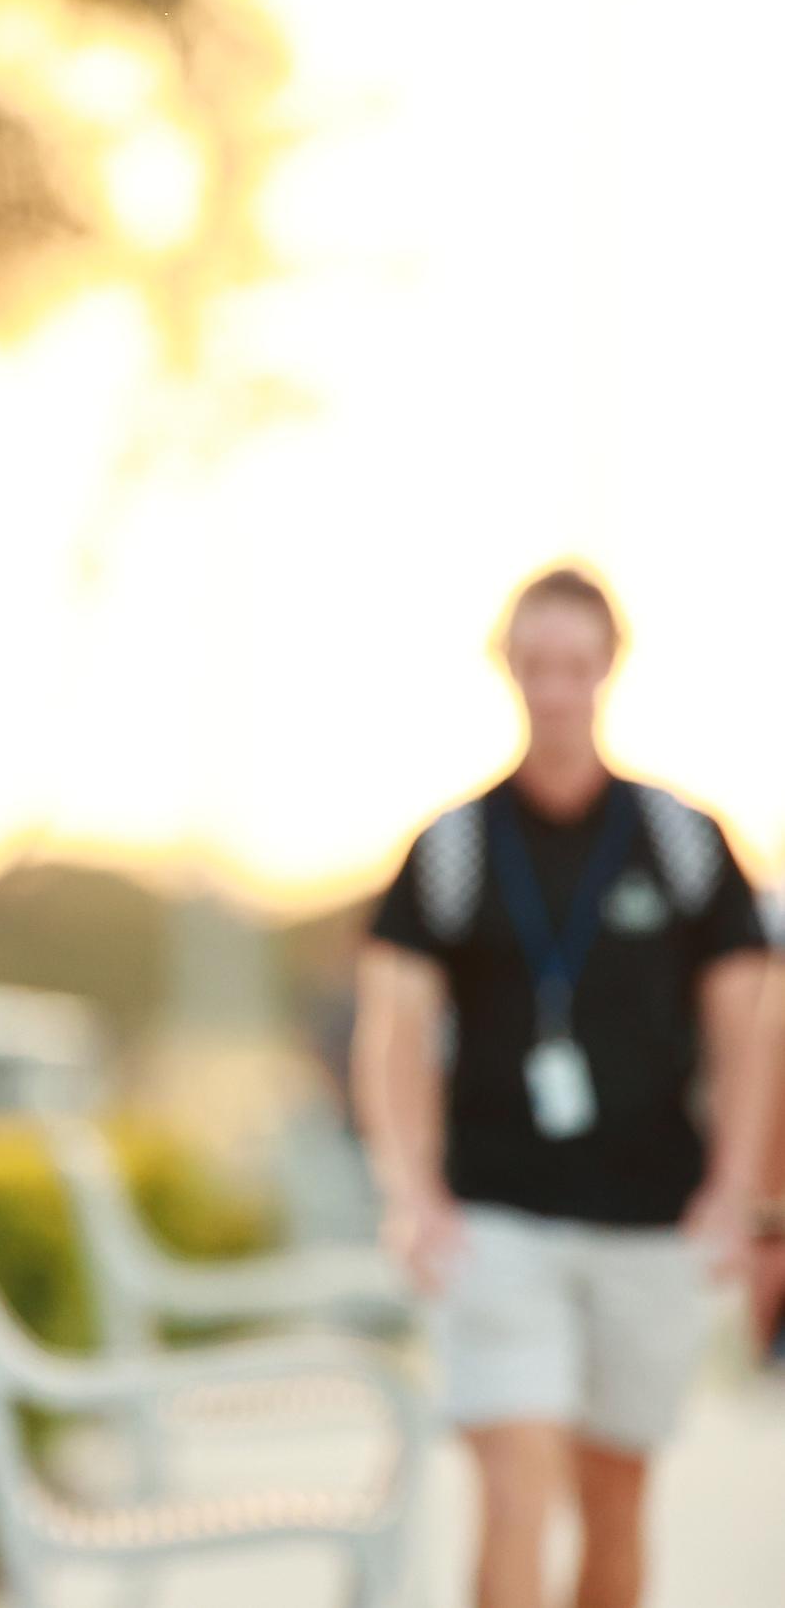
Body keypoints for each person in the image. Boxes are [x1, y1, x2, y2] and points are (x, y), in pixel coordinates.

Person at [353, 565, 776, 1608]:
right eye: (534, 664)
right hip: (498, 1219)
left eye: (573, 665)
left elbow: (749, 1031)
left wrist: (734, 1192)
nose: (553, 688)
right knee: (515, 1485)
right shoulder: (450, 848)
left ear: (606, 669)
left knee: (615, 1501)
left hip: (650, 1222)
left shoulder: (684, 843)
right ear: (508, 666)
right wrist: (411, 1191)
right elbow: (390, 1034)